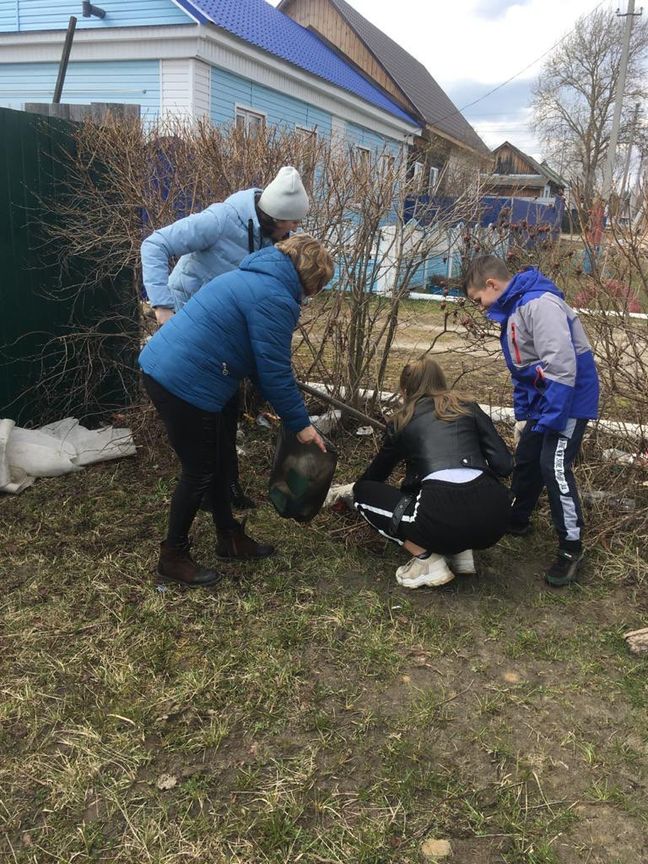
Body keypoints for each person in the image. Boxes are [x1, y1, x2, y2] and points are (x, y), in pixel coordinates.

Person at [139, 234, 334, 588]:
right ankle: (172, 557)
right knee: (199, 471)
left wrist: (286, 400)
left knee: (216, 460)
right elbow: (274, 372)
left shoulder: (251, 276)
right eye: (318, 286)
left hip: (170, 368)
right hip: (183, 380)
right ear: (311, 278)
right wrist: (301, 424)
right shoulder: (275, 297)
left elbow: (262, 363)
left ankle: (228, 536)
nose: (313, 295)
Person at [141, 166, 310, 510]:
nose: (294, 229)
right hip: (190, 333)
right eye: (292, 222)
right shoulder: (219, 221)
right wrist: (163, 308)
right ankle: (207, 489)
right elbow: (154, 244)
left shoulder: (272, 239)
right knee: (209, 420)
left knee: (228, 412)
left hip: (226, 338)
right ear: (275, 216)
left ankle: (227, 489)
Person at [464, 255, 600, 587]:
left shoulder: (540, 304)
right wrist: (526, 414)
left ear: (491, 285)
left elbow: (562, 366)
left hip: (569, 401)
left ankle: (571, 547)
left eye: (478, 300)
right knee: (527, 458)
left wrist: (552, 417)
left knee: (554, 466)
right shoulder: (514, 309)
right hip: (547, 401)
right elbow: (523, 370)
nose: (480, 307)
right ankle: (517, 518)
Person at [352, 358, 513, 590]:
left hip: (441, 513)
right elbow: (504, 465)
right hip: (494, 518)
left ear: (404, 389)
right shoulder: (468, 407)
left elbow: (375, 477)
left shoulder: (402, 421)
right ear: (441, 380)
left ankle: (428, 560)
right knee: (456, 493)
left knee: (362, 491)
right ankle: (461, 553)